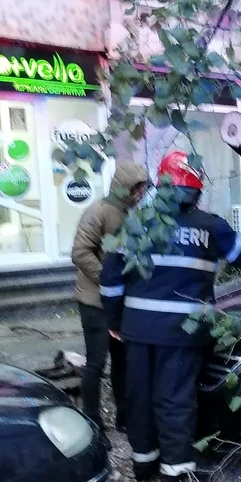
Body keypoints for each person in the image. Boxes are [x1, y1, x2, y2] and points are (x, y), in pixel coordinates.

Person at [100, 150, 241, 482]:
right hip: (182, 334)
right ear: (197, 189)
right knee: (174, 401)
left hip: (138, 331)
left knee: (139, 398)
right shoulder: (209, 226)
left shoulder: (136, 225)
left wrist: (114, 322)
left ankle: (144, 466)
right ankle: (174, 472)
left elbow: (111, 281)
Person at [71, 163, 149, 435]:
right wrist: (108, 280)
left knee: (122, 362)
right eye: (137, 187)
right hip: (94, 303)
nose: (141, 193)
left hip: (120, 304)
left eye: (143, 188)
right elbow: (80, 253)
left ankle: (125, 417)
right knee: (95, 363)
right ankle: (91, 420)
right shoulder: (98, 212)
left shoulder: (132, 215)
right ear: (125, 187)